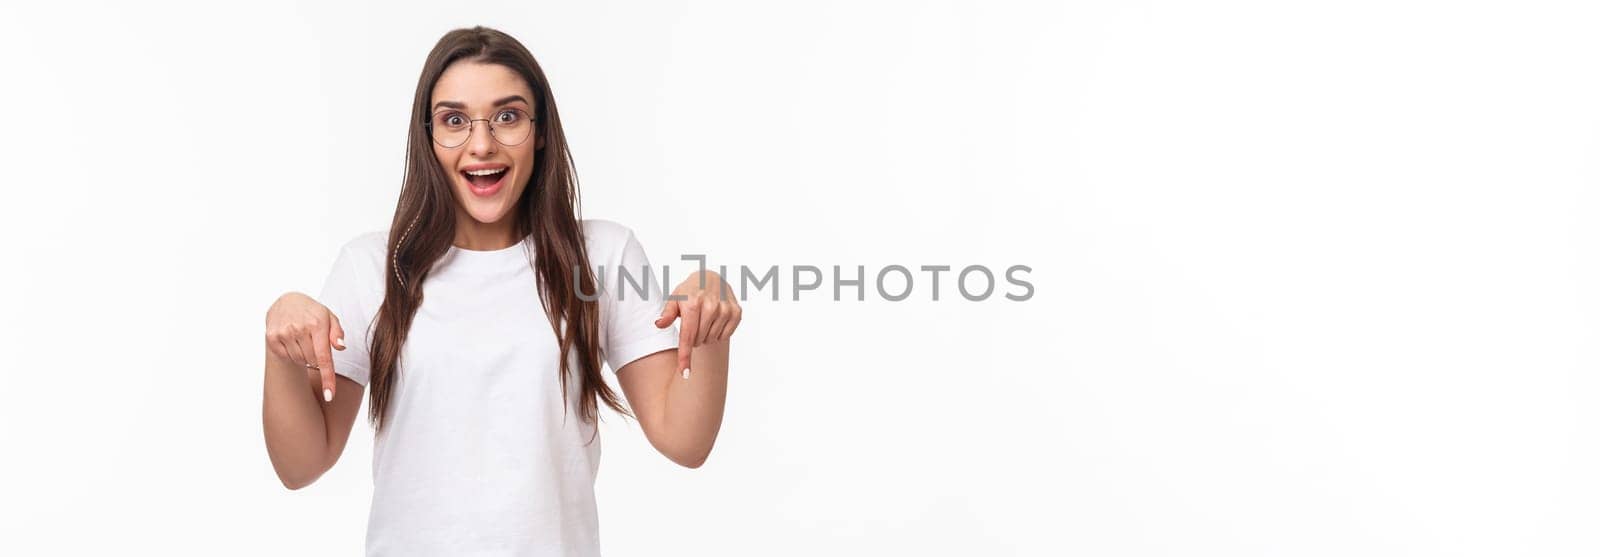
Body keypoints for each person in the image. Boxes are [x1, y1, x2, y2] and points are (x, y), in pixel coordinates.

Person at [261, 26, 739, 556]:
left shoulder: (601, 256)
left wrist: (709, 322)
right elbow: (302, 465)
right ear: (428, 135)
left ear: (539, 131)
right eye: (454, 120)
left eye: (507, 116)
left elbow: (685, 441)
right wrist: (280, 349)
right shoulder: (373, 267)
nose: (481, 143)